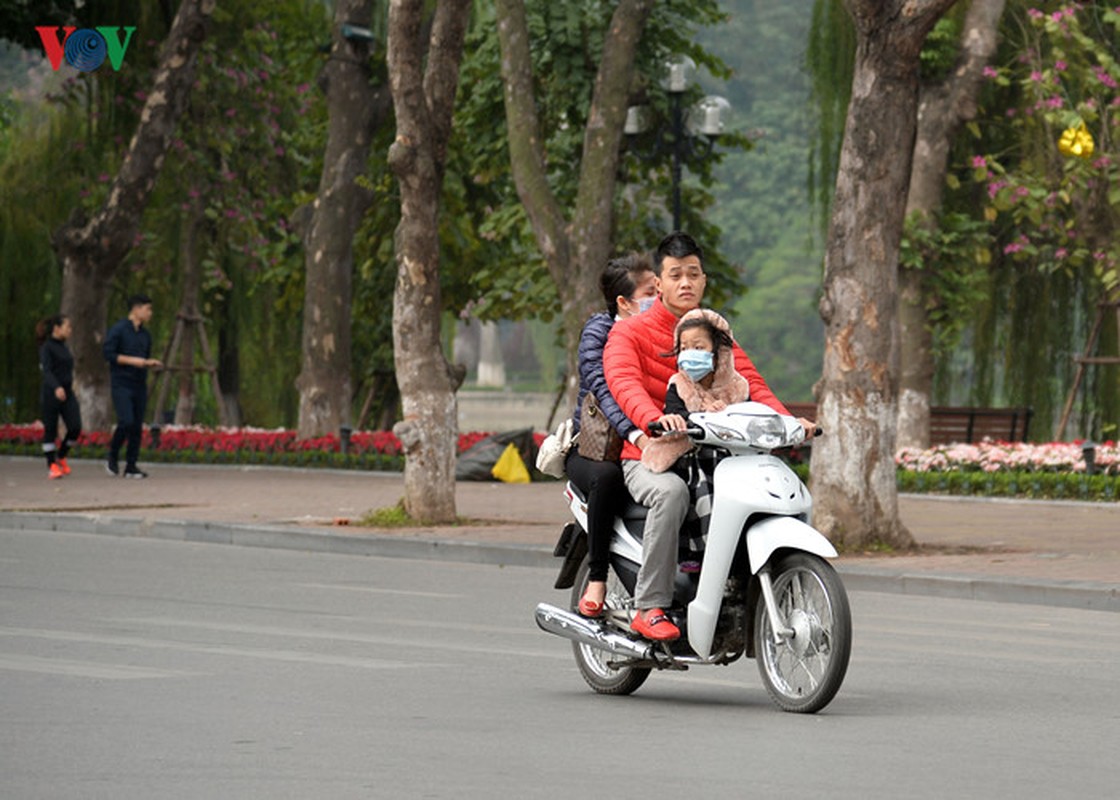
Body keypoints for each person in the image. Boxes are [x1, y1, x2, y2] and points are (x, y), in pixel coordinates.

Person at [604, 231, 814, 641]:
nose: (685, 283)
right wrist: (654, 419)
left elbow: (750, 382)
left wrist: (791, 421)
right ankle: (650, 606)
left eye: (693, 274)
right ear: (658, 283)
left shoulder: (715, 333)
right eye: (675, 275)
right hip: (650, 454)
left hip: (713, 452)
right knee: (672, 494)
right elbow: (622, 382)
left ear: (703, 281)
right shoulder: (630, 333)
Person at [564, 253, 658, 617]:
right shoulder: (599, 333)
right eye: (650, 292)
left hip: (653, 442)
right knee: (607, 478)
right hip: (598, 448)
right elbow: (606, 390)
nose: (658, 298)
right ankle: (598, 578)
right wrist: (636, 434)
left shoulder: (670, 329)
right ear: (623, 301)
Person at [103, 293, 162, 478]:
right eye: (147, 309)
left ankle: (131, 465)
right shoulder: (119, 330)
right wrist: (136, 361)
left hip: (139, 384)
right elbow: (108, 354)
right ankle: (112, 456)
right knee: (126, 421)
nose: (150, 313)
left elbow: (145, 358)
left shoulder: (145, 335)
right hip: (121, 382)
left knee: (136, 425)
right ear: (136, 309)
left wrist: (149, 365)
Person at [36, 314, 82, 480]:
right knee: (50, 430)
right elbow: (47, 371)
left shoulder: (64, 347)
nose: (70, 330)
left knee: (75, 427)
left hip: (67, 394)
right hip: (51, 394)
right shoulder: (46, 348)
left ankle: (61, 456)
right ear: (56, 328)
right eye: (67, 327)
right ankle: (52, 465)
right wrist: (56, 387)